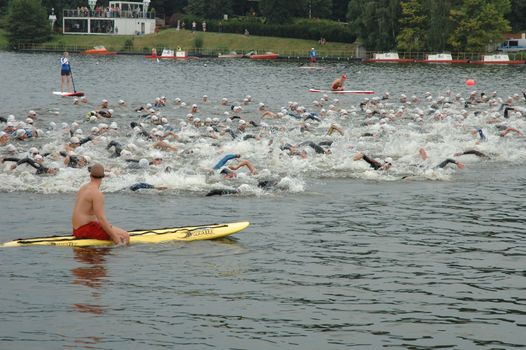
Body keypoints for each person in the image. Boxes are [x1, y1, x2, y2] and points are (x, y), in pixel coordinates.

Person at [72, 163, 130, 245]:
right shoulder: (97, 193)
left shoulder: (83, 187)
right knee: (125, 236)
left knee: (110, 227)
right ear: (103, 176)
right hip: (84, 230)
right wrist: (115, 238)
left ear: (90, 175)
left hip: (76, 229)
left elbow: (89, 215)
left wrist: (109, 228)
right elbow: (101, 218)